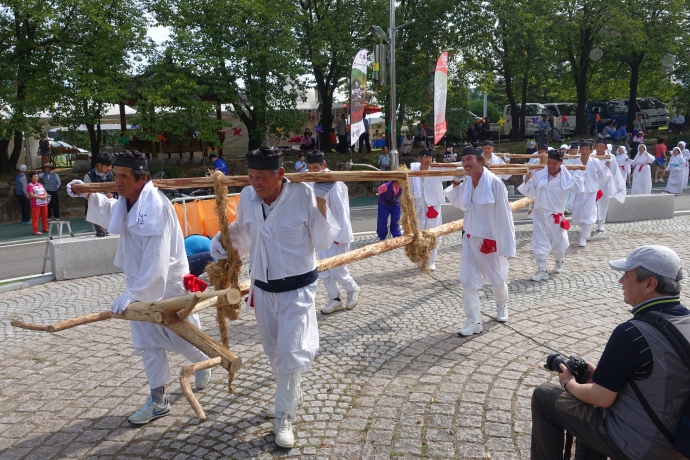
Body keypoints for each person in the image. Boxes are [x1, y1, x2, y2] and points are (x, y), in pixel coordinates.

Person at [67, 150, 212, 425]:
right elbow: (114, 214)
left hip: (164, 284)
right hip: (140, 282)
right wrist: (89, 194)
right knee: (147, 344)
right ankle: (158, 400)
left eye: (123, 177)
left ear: (142, 178)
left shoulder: (155, 206)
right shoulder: (127, 200)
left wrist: (136, 293)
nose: (117, 181)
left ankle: (202, 360)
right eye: (115, 176)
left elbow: (157, 259)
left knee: (183, 339)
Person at [209, 147, 340, 448]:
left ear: (280, 174)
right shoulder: (247, 197)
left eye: (262, 177)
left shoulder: (303, 194)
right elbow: (244, 232)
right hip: (263, 289)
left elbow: (321, 239)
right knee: (272, 350)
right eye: (251, 176)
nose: (256, 183)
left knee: (290, 352)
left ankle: (284, 415)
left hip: (297, 289)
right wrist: (222, 241)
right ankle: (289, 394)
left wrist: (321, 197)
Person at [531, 245, 690, 460]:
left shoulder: (631, 333)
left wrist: (569, 383)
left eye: (626, 275)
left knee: (543, 396)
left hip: (643, 447)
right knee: (591, 416)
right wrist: (602, 377)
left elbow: (601, 398)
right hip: (680, 445)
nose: (620, 282)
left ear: (649, 283)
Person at [445, 147, 515, 335]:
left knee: (497, 278)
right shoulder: (467, 182)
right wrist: (455, 184)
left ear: (481, 160)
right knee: (468, 280)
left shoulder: (494, 183)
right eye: (463, 160)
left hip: (489, 240)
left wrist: (505, 244)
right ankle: (473, 321)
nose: (466, 164)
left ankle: (502, 305)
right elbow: (461, 204)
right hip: (469, 237)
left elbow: (504, 214)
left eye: (470, 159)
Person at [305, 152, 360, 315]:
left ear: (323, 165)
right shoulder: (310, 182)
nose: (313, 171)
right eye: (309, 168)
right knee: (323, 269)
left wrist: (339, 234)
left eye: (316, 167)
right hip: (321, 231)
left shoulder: (334, 182)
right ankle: (334, 298)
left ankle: (353, 289)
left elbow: (341, 211)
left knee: (337, 268)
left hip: (337, 233)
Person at [519, 148, 584, 281]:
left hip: (555, 215)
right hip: (539, 213)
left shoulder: (566, 177)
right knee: (539, 242)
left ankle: (559, 261)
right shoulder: (540, 174)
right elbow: (530, 192)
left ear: (561, 163)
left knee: (558, 242)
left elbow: (578, 189)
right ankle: (542, 269)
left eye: (554, 163)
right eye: (549, 162)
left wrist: (577, 172)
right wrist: (527, 174)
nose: (551, 166)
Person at [410, 148, 450, 271]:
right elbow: (409, 187)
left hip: (432, 205)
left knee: (433, 233)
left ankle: (432, 260)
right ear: (419, 158)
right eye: (426, 157)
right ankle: (422, 258)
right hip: (419, 205)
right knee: (420, 233)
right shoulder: (413, 171)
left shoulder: (436, 169)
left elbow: (451, 172)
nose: (428, 160)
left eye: (430, 157)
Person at [569, 139, 611, 247]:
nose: (584, 151)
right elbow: (569, 175)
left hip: (591, 191)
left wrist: (607, 167)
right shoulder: (575, 161)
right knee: (577, 214)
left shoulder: (595, 162)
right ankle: (584, 231)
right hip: (578, 192)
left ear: (591, 150)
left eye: (587, 149)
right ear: (580, 150)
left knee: (588, 213)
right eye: (582, 149)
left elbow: (601, 176)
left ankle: (584, 236)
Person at [84, 152, 115, 237]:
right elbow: (87, 195)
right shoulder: (89, 176)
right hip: (95, 206)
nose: (109, 169)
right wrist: (104, 196)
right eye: (107, 167)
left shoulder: (112, 174)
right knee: (101, 233)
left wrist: (112, 195)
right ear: (99, 165)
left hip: (111, 205)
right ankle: (99, 228)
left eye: (110, 166)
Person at [26, 171, 49, 235]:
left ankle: (45, 228)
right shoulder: (29, 185)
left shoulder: (40, 184)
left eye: (37, 176)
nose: (36, 177)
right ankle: (35, 230)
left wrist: (45, 196)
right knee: (36, 217)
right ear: (31, 178)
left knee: (45, 216)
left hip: (44, 202)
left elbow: (45, 192)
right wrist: (40, 197)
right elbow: (31, 195)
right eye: (34, 176)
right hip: (36, 203)